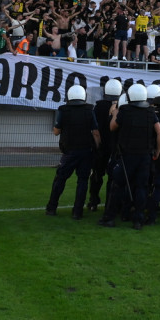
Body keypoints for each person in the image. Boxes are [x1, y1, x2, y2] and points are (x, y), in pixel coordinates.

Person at [98, 83, 160, 230]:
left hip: (126, 156)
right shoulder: (150, 112)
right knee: (141, 187)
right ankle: (138, 220)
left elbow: (112, 127)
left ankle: (110, 218)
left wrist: (115, 114)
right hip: (144, 156)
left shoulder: (125, 110)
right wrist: (157, 151)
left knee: (117, 186)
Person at [46, 85, 100, 219]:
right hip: (86, 151)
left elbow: (56, 132)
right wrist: (98, 148)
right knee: (82, 181)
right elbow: (96, 132)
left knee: (60, 179)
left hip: (69, 152)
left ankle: (52, 208)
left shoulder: (63, 110)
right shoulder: (89, 110)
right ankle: (77, 212)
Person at [88, 79, 122, 212]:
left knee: (97, 174)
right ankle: (111, 203)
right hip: (114, 146)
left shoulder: (98, 107)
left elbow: (94, 129)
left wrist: (97, 144)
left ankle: (93, 201)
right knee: (113, 177)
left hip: (101, 146)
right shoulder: (121, 106)